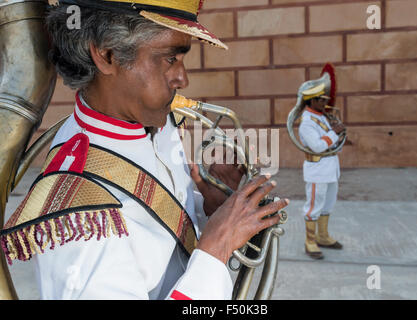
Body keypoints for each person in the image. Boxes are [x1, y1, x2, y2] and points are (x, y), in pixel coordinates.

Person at [0, 0, 288, 300]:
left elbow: (156, 237)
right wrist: (215, 250)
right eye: (169, 59)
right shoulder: (80, 217)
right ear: (107, 54)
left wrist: (207, 209)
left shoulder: (153, 123)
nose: (182, 78)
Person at [298, 82, 345, 260]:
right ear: (312, 101)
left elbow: (330, 142)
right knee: (314, 205)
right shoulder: (307, 123)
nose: (325, 102)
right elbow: (317, 146)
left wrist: (337, 136)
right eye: (322, 99)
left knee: (328, 204)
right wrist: (334, 133)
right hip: (317, 169)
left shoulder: (322, 117)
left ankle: (323, 236)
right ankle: (310, 241)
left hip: (330, 168)